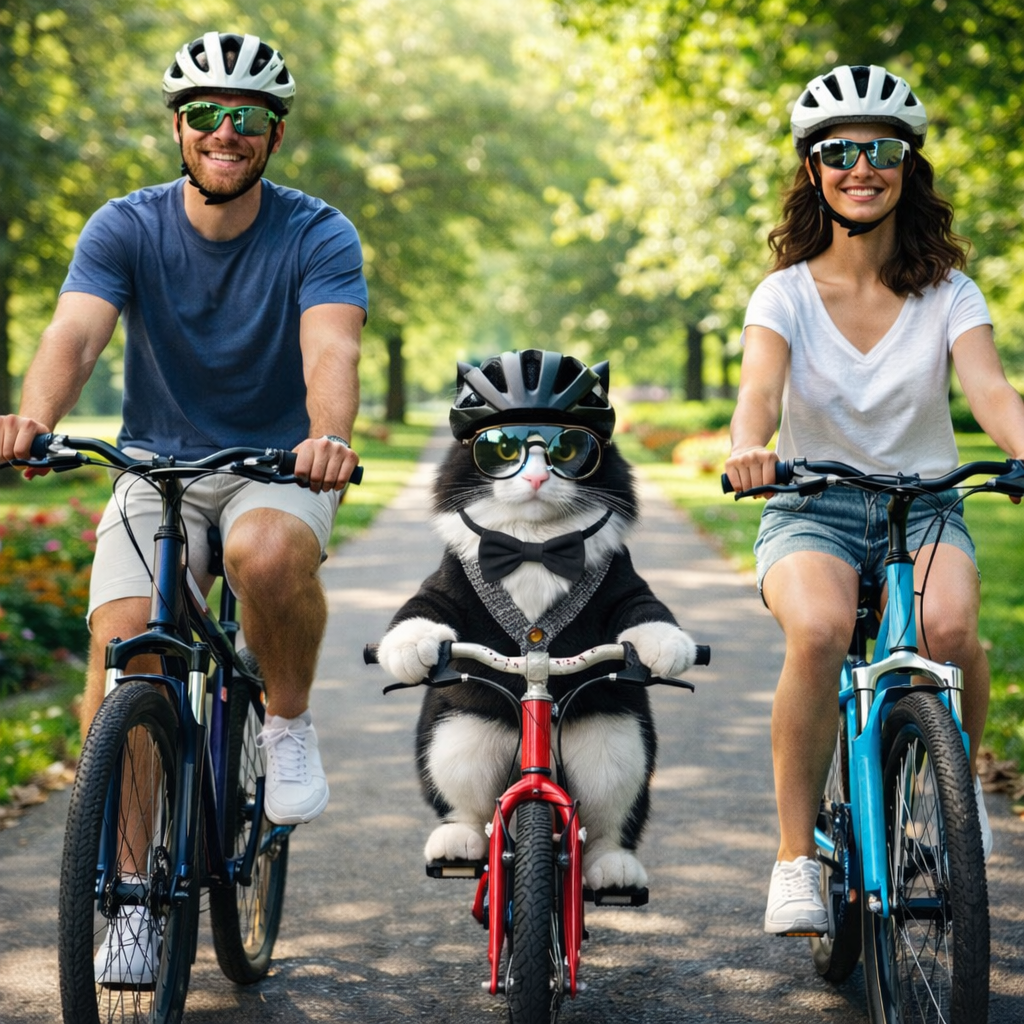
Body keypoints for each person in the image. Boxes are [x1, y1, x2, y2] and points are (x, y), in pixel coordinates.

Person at [1, 34, 365, 826]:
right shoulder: (124, 226)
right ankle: (126, 888)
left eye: (247, 117)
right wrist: (36, 419)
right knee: (127, 649)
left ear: (274, 134)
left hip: (279, 465)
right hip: (156, 466)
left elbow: (331, 347)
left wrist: (328, 437)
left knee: (264, 554)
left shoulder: (319, 232)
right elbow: (75, 334)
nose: (224, 131)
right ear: (177, 126)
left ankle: (288, 724)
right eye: (204, 113)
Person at [724, 64, 1024, 935]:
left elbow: (990, 390)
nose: (862, 167)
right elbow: (758, 392)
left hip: (925, 506)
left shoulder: (950, 292)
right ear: (813, 169)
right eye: (841, 152)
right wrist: (749, 448)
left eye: (882, 151)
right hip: (810, 506)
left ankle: (957, 803)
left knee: (951, 632)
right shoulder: (784, 293)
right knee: (820, 631)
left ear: (907, 167)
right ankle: (795, 858)